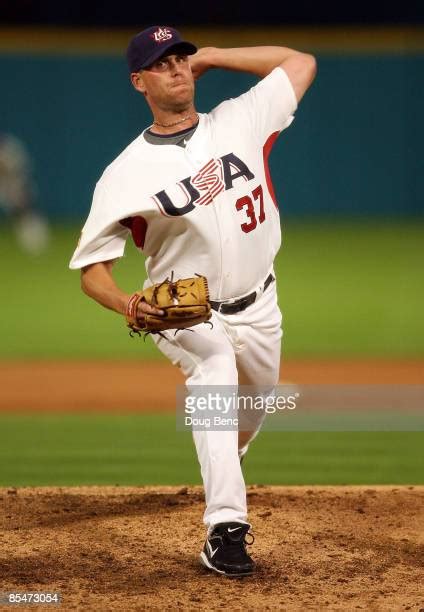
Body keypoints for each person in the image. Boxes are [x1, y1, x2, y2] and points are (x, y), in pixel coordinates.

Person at [69, 25, 316, 577]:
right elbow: (92, 272)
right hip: (184, 314)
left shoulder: (240, 119)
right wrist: (129, 305)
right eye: (162, 63)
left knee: (249, 411)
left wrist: (217, 56)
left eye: (182, 58)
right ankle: (225, 531)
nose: (177, 68)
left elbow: (300, 62)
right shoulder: (124, 173)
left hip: (260, 307)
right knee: (215, 365)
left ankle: (228, 450)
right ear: (139, 82)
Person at [0, 132, 50, 254]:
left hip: (15, 183)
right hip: (5, 185)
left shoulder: (10, 147)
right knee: (19, 214)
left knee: (24, 212)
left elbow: (17, 167)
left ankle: (37, 240)